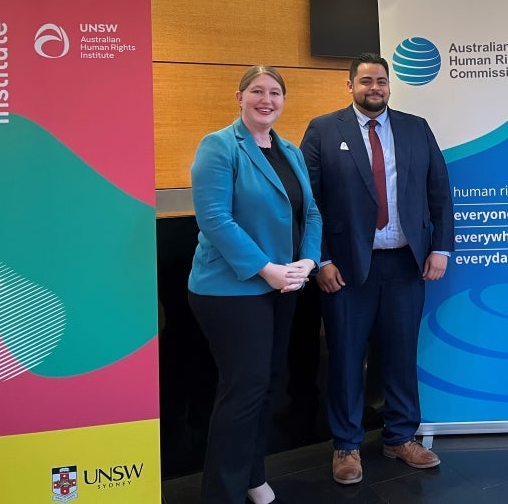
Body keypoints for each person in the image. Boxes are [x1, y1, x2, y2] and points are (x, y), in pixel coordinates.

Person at [300, 52, 454, 485]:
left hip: (406, 265)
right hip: (345, 270)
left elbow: (439, 192)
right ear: (349, 85)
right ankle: (346, 446)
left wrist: (441, 248)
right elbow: (309, 204)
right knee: (347, 357)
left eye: (381, 81)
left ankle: (401, 436)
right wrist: (321, 260)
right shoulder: (323, 130)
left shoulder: (415, 127)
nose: (375, 88)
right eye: (366, 81)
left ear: (390, 85)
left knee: (402, 355)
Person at [187, 65, 322, 504]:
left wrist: (308, 260)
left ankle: (251, 474)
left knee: (267, 385)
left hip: (282, 285)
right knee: (242, 391)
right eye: (258, 91)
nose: (267, 99)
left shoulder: (290, 150)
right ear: (239, 96)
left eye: (276, 92)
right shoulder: (219, 146)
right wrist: (266, 268)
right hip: (230, 289)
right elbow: (214, 219)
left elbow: (313, 213)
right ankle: (221, 493)